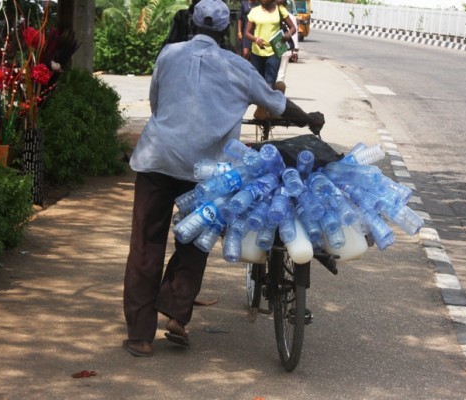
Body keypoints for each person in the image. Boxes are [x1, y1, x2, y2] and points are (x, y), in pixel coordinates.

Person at [122, 0, 325, 357]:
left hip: (157, 159)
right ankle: (175, 314)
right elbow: (277, 105)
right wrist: (309, 119)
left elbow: (155, 103)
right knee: (195, 239)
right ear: (225, 30)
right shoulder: (238, 67)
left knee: (145, 244)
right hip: (205, 171)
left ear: (193, 24)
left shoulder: (168, 55)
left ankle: (140, 336)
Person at [245, 0, 297, 88]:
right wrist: (256, 39)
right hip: (257, 52)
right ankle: (262, 99)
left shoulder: (280, 9)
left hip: (275, 50)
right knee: (258, 82)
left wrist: (287, 35)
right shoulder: (254, 11)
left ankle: (269, 96)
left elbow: (293, 28)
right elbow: (247, 33)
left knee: (270, 82)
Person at [275, 0, 299, 91]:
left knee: (281, 70)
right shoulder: (273, 15)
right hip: (276, 45)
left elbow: (294, 33)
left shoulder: (291, 17)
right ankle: (275, 89)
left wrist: (295, 50)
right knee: (278, 69)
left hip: (284, 45)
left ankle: (278, 90)